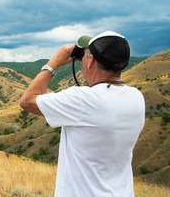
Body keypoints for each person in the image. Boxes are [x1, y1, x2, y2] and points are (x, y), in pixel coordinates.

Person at [20, 31, 145, 197]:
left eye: (86, 55)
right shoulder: (136, 97)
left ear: (91, 60)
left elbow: (27, 101)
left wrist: (54, 63)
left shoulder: (82, 99)